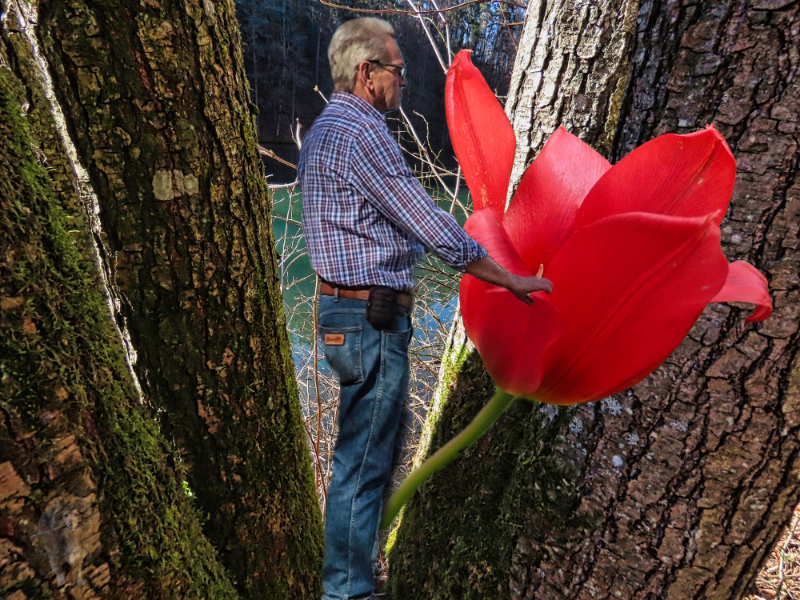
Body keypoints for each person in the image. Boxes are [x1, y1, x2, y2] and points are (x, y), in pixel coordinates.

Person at [297, 17, 553, 600]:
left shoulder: (322, 132)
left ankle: (350, 582)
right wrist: (504, 276)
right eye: (397, 70)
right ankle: (349, 593)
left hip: (344, 316)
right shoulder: (360, 133)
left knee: (360, 460)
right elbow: (427, 219)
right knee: (363, 467)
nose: (403, 82)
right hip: (371, 319)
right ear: (367, 72)